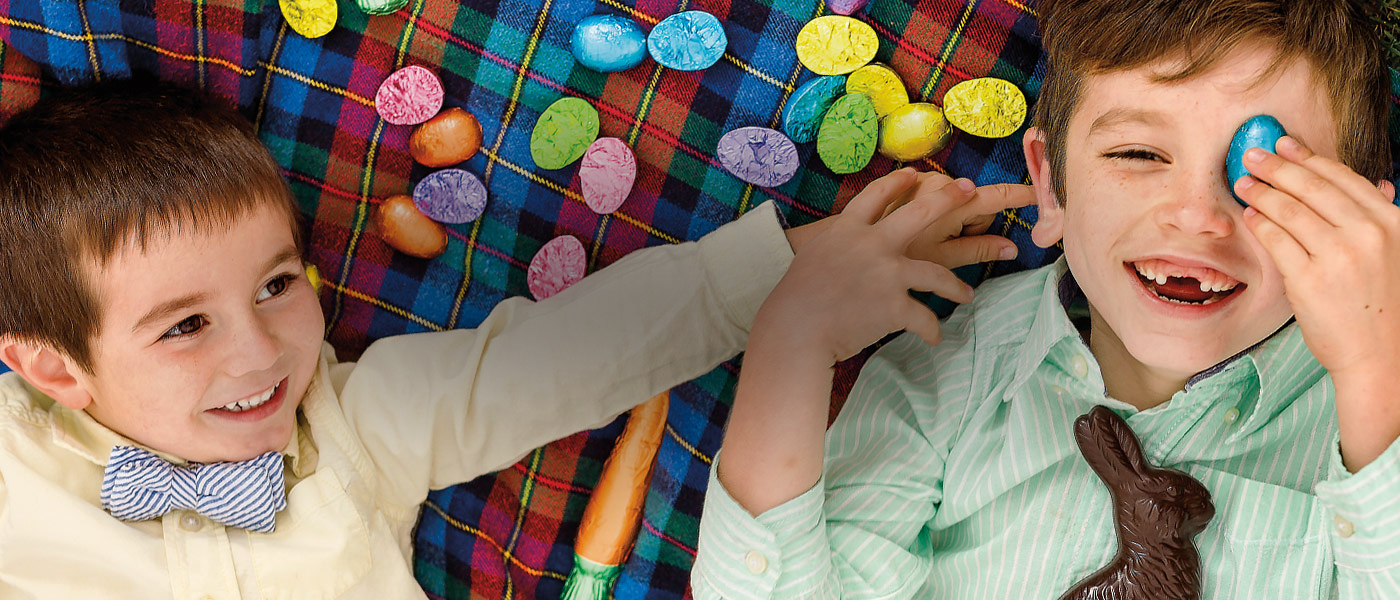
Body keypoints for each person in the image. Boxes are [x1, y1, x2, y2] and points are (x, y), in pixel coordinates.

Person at [0, 77, 1027, 597]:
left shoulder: (356, 425)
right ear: (52, 367)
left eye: (275, 284)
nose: (260, 351)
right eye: (184, 326)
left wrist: (791, 271)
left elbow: (563, 358)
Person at [692, 0, 1400, 597]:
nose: (1196, 216)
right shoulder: (952, 374)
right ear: (1052, 188)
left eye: (1264, 174)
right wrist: (790, 342)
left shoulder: (1379, 411)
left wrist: (1375, 376)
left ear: (1364, 221)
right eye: (1137, 155)